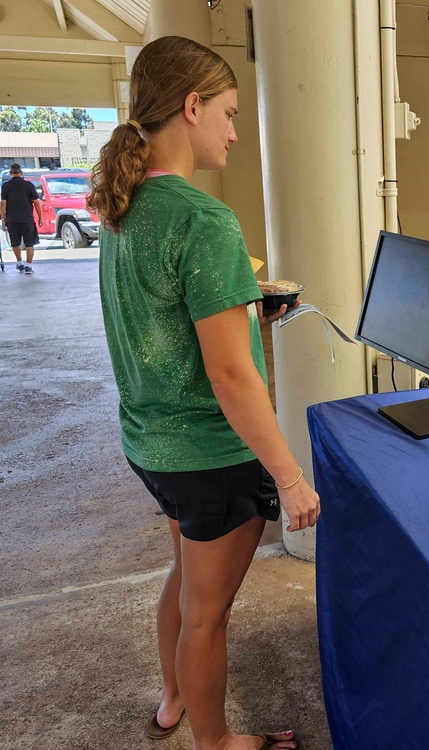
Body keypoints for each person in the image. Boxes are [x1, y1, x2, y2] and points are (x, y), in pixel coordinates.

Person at [87, 36, 316, 750]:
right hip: (209, 454)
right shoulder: (203, 219)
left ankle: (171, 703)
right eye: (228, 112)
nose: (235, 131)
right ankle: (216, 743)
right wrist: (290, 476)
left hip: (149, 444)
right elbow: (230, 376)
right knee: (207, 613)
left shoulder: (121, 209)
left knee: (185, 580)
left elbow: (161, 318)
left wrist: (248, 308)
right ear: (192, 107)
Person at [0, 163, 43, 274]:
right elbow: (36, 203)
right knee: (29, 243)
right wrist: (40, 218)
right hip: (27, 219)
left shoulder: (5, 186)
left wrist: (3, 219)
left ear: (10, 173)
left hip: (12, 220)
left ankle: (20, 263)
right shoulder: (29, 185)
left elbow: (3, 204)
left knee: (15, 242)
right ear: (21, 173)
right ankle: (28, 266)